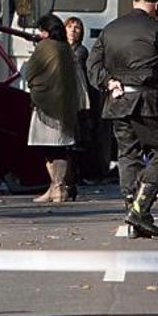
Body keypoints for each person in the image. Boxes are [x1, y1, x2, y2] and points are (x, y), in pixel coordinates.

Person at [87, 0, 158, 238]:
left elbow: (92, 64)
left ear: (133, 2)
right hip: (147, 99)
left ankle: (132, 210)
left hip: (118, 99)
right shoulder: (154, 28)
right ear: (156, 6)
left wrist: (107, 81)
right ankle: (140, 208)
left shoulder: (111, 29)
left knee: (128, 155)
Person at [24, 14, 79, 203]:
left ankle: (57, 187)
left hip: (46, 105)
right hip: (66, 106)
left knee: (50, 149)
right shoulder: (66, 49)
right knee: (61, 147)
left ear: (46, 31)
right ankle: (57, 188)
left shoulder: (44, 47)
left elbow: (29, 72)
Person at [64, 16, 93, 199]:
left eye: (77, 28)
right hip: (65, 100)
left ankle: (72, 179)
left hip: (79, 100)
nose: (74, 31)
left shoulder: (81, 51)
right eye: (71, 27)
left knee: (75, 143)